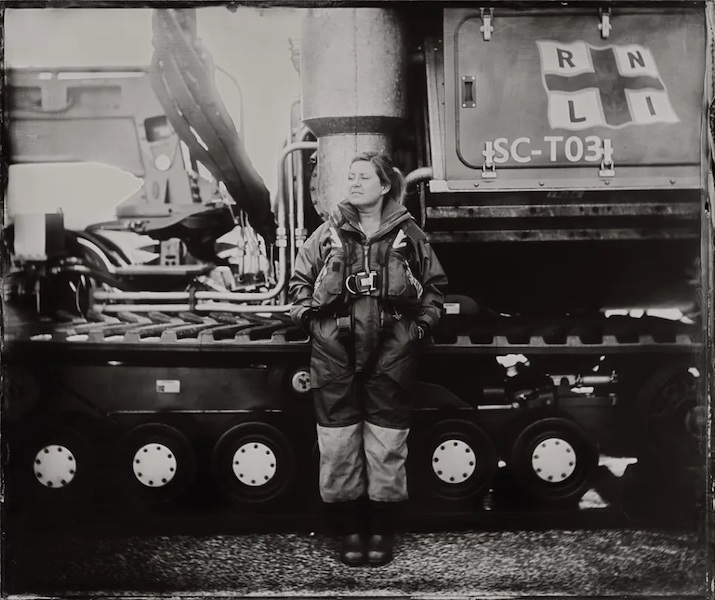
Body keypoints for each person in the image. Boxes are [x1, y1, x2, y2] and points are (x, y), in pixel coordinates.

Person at [289, 152, 447, 567]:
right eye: (351, 176)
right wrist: (309, 320)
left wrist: (420, 329)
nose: (354, 183)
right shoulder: (327, 233)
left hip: (391, 355)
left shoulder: (409, 234)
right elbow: (299, 283)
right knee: (339, 444)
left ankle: (380, 529)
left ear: (384, 185)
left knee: (386, 445)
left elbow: (435, 289)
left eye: (363, 177)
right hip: (334, 354)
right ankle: (350, 530)